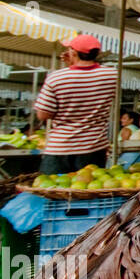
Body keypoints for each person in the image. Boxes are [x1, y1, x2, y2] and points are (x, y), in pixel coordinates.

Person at [33, 34, 119, 175]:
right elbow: (85, 79)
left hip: (60, 148)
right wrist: (73, 65)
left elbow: (43, 114)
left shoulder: (56, 78)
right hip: (94, 147)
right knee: (88, 191)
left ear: (73, 52)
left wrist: (70, 67)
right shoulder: (112, 75)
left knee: (52, 190)